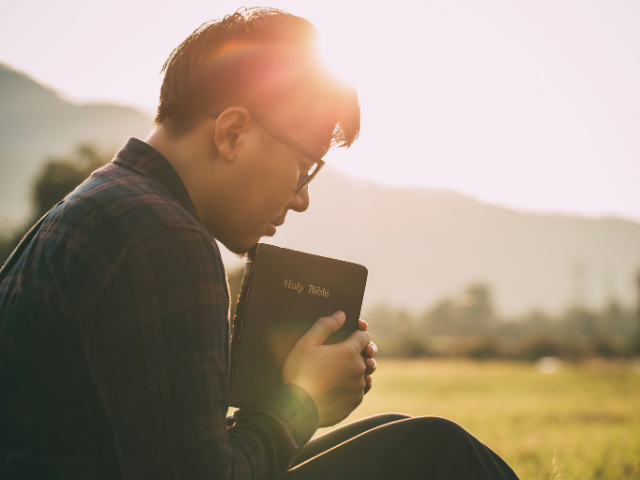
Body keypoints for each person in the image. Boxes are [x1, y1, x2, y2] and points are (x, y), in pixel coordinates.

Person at [0, 7, 519, 480]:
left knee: (399, 429)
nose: (302, 200)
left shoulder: (104, 204)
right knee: (433, 450)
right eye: (303, 168)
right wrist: (302, 402)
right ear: (231, 133)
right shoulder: (163, 237)